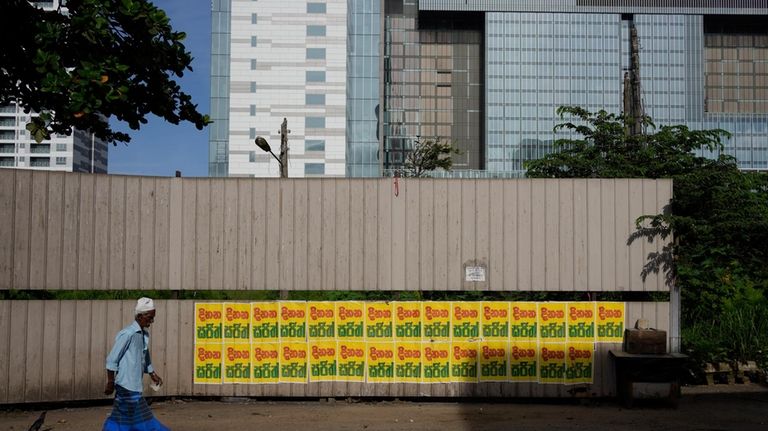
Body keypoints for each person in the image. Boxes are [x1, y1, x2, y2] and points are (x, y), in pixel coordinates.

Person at [103, 297, 169, 431]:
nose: (152, 321)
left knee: (123, 418)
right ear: (140, 316)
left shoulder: (143, 334)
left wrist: (152, 373)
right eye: (150, 318)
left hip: (134, 386)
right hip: (126, 386)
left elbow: (145, 356)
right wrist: (110, 383)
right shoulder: (128, 334)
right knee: (137, 419)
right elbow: (111, 360)